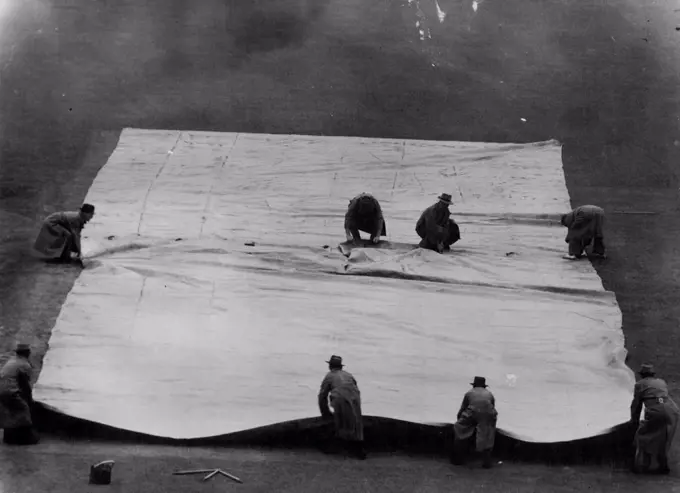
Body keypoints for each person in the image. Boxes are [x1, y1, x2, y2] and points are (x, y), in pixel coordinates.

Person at [630, 363, 679, 474]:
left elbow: (636, 405)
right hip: (672, 410)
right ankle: (662, 466)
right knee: (664, 438)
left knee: (642, 437)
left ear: (642, 375)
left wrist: (634, 420)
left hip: (656, 409)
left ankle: (640, 466)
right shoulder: (661, 382)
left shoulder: (640, 384)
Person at [318, 355, 367, 459]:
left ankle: (335, 445)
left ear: (330, 366)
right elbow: (355, 386)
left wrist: (325, 413)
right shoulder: (348, 375)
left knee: (340, 420)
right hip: (355, 397)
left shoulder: (329, 376)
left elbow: (322, 395)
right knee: (356, 422)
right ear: (341, 366)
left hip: (340, 397)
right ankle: (359, 448)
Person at [451, 376, 497, 468]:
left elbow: (463, 407)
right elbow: (492, 407)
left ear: (474, 385)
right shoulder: (489, 394)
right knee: (487, 435)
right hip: (488, 413)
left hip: (473, 412)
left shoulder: (469, 393)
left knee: (460, 430)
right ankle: (486, 462)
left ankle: (458, 459)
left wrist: (459, 420)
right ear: (484, 386)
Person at [0, 343, 39, 445]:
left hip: (2, 391)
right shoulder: (24, 365)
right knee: (24, 411)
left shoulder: (12, 361)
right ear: (27, 353)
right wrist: (29, 401)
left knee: (10, 413)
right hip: (11, 392)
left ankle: (8, 437)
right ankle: (27, 438)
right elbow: (25, 385)